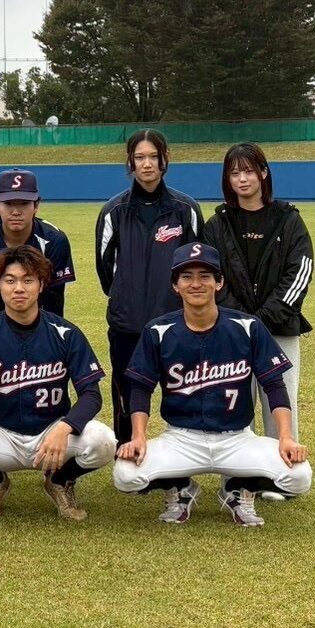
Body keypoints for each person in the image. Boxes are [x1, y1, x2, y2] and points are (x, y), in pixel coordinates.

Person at [112, 243, 312, 527]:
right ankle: (181, 487)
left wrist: (286, 437)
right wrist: (138, 436)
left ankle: (238, 489)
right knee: (126, 474)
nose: (196, 284)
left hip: (237, 439)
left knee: (299, 476)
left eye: (205, 276)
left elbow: (274, 385)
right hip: (181, 439)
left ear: (219, 283)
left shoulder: (248, 326)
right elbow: (141, 388)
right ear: (175, 285)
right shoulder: (158, 330)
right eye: (187, 276)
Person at [0, 246, 116, 520]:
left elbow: (92, 395)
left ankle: (59, 481)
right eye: (10, 280)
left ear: (41, 285)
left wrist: (65, 427)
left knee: (104, 441)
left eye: (28, 280)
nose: (19, 288)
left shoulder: (65, 333)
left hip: (52, 429)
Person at [202, 143, 314, 450]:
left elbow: (300, 273)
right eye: (234, 173)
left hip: (279, 332)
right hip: (230, 334)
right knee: (234, 410)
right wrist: (241, 322)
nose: (242, 179)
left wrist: (261, 321)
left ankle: (282, 469)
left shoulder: (288, 220)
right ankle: (236, 472)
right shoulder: (217, 225)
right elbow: (211, 278)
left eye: (249, 171)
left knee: (281, 406)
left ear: (263, 173)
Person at [95, 129, 203, 446]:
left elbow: (199, 266)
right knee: (127, 395)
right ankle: (126, 450)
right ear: (130, 161)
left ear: (165, 159)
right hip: (126, 325)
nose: (147, 164)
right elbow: (105, 269)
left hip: (176, 324)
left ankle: (182, 452)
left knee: (181, 393)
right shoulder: (113, 211)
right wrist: (125, 298)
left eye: (153, 157)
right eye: (140, 157)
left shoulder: (186, 209)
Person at [0, 169, 75, 319]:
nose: (16, 212)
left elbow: (54, 298)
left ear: (36, 206)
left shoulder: (54, 240)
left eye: (24, 203)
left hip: (37, 309)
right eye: (8, 203)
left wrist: (47, 330)